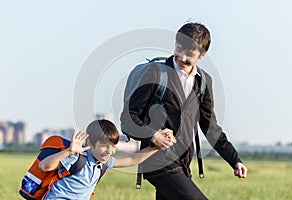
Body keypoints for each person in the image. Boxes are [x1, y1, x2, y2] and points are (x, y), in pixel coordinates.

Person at [120, 22, 247, 200]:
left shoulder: (203, 82)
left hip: (184, 162)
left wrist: (235, 160)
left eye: (190, 54)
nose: (181, 57)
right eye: (179, 49)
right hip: (156, 160)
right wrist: (152, 135)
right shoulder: (156, 73)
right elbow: (128, 118)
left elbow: (210, 128)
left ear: (202, 55)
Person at [39, 119, 176, 200]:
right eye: (104, 146)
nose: (109, 151)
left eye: (113, 146)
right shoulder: (78, 158)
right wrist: (69, 151)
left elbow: (131, 160)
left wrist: (157, 147)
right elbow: (44, 166)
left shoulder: (103, 162)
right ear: (90, 144)